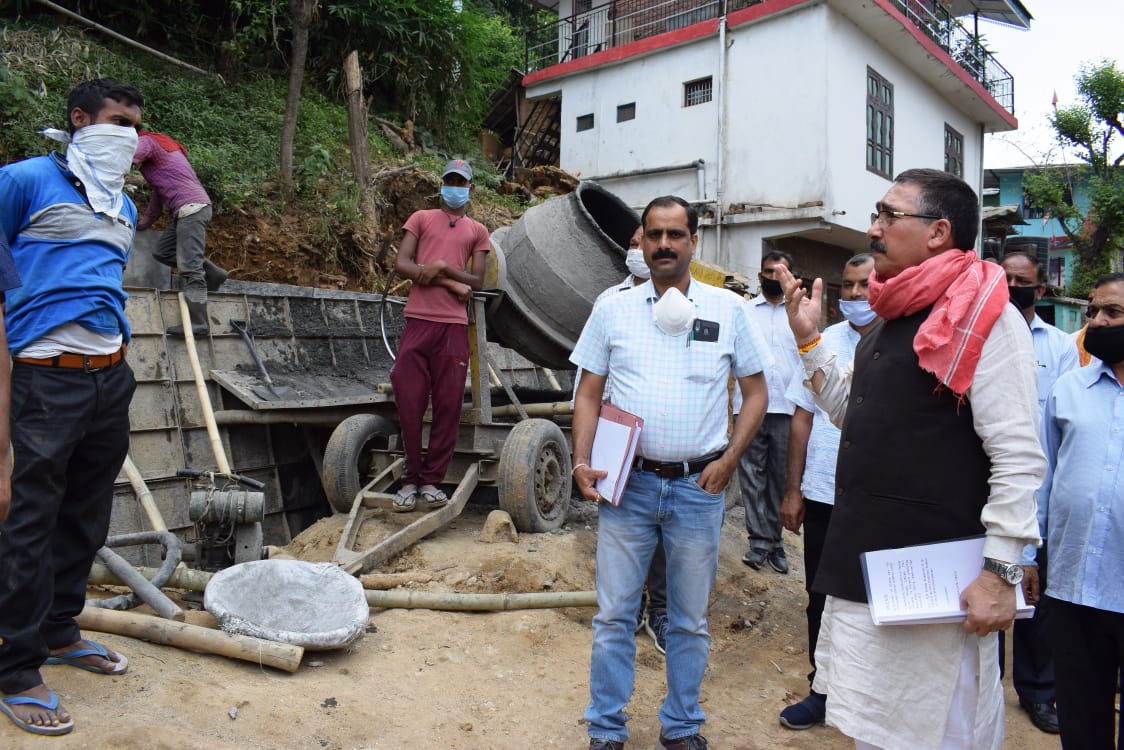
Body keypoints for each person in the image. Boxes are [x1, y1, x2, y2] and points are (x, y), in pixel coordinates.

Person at [777, 168, 1045, 749]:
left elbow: (1018, 457)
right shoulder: (894, 314)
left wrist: (1000, 572)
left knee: (937, 729)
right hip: (877, 571)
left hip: (938, 584)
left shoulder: (984, 316)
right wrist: (808, 341)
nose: (873, 228)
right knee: (878, 730)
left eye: (888, 215)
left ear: (938, 232)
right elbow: (859, 411)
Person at [571, 196, 769, 750]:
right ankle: (607, 728)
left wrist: (730, 460)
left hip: (698, 488)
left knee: (686, 621)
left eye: (675, 234)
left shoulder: (729, 310)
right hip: (628, 486)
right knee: (613, 617)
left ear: (693, 241)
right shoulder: (612, 309)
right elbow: (587, 393)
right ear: (640, 240)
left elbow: (756, 393)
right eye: (653, 234)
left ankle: (681, 726)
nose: (663, 244)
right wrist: (583, 459)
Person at [0, 78, 143, 737]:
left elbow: (100, 282)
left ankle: (60, 631)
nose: (129, 136)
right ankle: (15, 667)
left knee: (86, 514)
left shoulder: (125, 208)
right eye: (117, 121)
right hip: (43, 378)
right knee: (29, 521)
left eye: (136, 126)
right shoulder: (23, 181)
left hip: (109, 377)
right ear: (80, 119)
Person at [777, 253, 877, 731]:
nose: (856, 295)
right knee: (820, 593)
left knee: (876, 597)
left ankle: (870, 695)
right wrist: (793, 489)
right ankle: (823, 689)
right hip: (822, 490)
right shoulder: (824, 339)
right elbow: (802, 418)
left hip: (878, 496)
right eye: (849, 287)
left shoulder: (902, 341)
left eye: (865, 286)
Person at [1036, 272, 1124, 750]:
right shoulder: (1069, 389)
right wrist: (1030, 555)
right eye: (1093, 312)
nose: (1097, 322)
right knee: (1082, 721)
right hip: (1073, 587)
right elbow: (1045, 478)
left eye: (1113, 313)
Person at [578, 225, 671, 655]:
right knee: (621, 522)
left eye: (643, 243)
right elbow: (588, 378)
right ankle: (628, 607)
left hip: (659, 433)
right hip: (615, 431)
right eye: (632, 244)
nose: (638, 251)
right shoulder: (608, 300)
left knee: (663, 529)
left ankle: (662, 612)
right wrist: (590, 433)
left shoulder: (676, 305)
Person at [999, 250, 1078, 735]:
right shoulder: (980, 333)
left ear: (1040, 291)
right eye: (1004, 278)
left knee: (1034, 593)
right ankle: (988, 682)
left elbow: (1063, 421)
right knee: (987, 579)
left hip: (1041, 485)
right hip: (990, 484)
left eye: (1021, 280)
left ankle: (1037, 690)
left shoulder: (1061, 346)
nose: (1012, 285)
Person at [390, 159, 489, 513]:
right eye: (450, 179)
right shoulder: (420, 218)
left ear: (470, 188)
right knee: (410, 402)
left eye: (461, 182)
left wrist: (445, 267)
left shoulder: (477, 230)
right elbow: (402, 263)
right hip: (418, 321)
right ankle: (409, 479)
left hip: (453, 327)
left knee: (448, 406)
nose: (455, 186)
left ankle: (431, 480)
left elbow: (478, 281)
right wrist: (449, 282)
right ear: (441, 183)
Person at [737, 250, 802, 574]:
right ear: (760, 275)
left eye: (779, 271)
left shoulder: (800, 315)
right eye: (767, 271)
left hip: (787, 407)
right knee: (750, 475)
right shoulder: (745, 312)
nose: (772, 277)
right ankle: (758, 542)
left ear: (789, 275)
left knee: (780, 477)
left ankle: (776, 544)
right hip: (750, 407)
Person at [132, 128, 227, 335]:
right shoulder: (159, 162)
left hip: (191, 208)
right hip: (188, 210)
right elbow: (157, 201)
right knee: (163, 251)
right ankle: (214, 273)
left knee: (190, 268)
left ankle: (199, 323)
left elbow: (126, 156)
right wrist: (142, 224)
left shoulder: (147, 141)